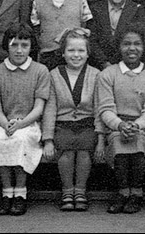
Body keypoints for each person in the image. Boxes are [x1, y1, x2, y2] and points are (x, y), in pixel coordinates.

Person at [0, 23, 50, 216]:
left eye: (24, 45)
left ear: (30, 47)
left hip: (29, 123)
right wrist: (6, 124)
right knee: (1, 139)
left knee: (20, 140)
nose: (19, 50)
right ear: (6, 46)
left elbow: (39, 108)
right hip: (4, 123)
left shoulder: (40, 71)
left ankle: (20, 193)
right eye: (14, 45)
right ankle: (6, 192)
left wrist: (22, 124)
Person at [94, 23, 145, 214]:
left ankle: (136, 194)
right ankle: (123, 192)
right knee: (120, 147)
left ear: (144, 47)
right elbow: (105, 108)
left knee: (138, 147)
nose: (132, 48)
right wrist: (120, 125)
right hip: (115, 126)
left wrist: (137, 125)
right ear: (119, 47)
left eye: (137, 44)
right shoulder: (107, 74)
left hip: (143, 127)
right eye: (126, 43)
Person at [41, 28, 101, 212]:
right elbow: (50, 108)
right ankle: (67, 191)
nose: (76, 55)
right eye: (71, 50)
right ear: (63, 53)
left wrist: (101, 139)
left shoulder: (96, 74)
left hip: (87, 124)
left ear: (88, 53)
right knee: (66, 150)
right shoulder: (54, 74)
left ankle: (80, 191)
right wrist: (48, 140)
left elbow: (100, 108)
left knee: (84, 150)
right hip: (62, 125)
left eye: (81, 51)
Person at [89, 0, 145, 69]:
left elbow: (140, 40)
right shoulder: (96, 9)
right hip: (100, 65)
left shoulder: (136, 10)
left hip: (128, 65)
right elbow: (92, 40)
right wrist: (104, 63)